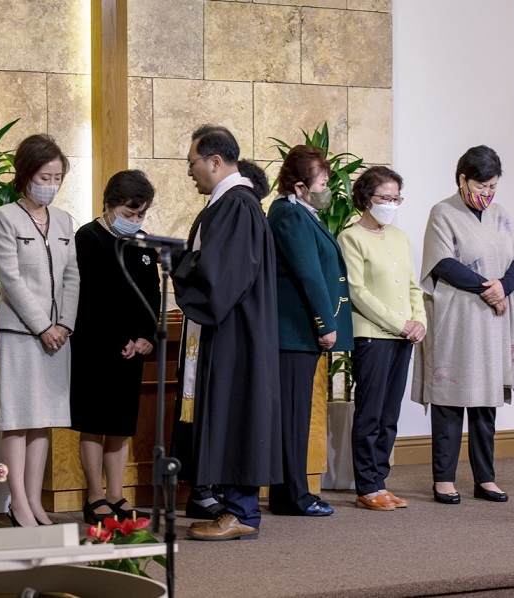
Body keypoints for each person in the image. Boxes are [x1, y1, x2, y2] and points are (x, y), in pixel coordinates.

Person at [173, 125, 282, 541]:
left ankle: (241, 512)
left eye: (192, 163)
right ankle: (232, 507)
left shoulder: (236, 205)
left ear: (215, 161)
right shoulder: (231, 203)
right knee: (231, 412)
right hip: (233, 328)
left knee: (238, 412)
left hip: (237, 334)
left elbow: (221, 276)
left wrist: (177, 263)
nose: (190, 171)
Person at [412, 145, 514, 504]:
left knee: (485, 401)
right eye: (481, 185)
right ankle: (444, 480)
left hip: (492, 321)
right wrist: (489, 290)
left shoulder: (501, 215)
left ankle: (485, 478)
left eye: (493, 186)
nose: (487, 193)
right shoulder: (443, 212)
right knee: (450, 398)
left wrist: (503, 287)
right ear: (462, 179)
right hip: (456, 317)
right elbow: (443, 263)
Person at [0, 134, 79, 527]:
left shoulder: (64, 221)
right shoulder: (4, 217)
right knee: (18, 418)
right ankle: (18, 503)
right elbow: (10, 279)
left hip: (58, 336)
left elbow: (73, 276)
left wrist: (64, 324)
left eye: (57, 177)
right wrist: (42, 325)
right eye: (45, 177)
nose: (51, 185)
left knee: (43, 418)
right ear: (25, 175)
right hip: (20, 333)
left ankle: (34, 500)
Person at [70, 170, 161, 524]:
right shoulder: (88, 237)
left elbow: (151, 292)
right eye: (128, 213)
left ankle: (116, 495)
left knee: (121, 426)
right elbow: (89, 297)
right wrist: (118, 338)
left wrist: (146, 335)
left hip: (134, 348)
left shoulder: (141, 241)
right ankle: (95, 496)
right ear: (109, 205)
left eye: (141, 214)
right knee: (95, 423)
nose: (135, 221)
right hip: (96, 345)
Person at [266, 145, 353, 517]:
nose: (326, 190)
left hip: (299, 334)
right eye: (321, 183)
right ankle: (292, 496)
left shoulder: (300, 212)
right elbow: (308, 275)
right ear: (300, 186)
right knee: (292, 416)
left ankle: (293, 492)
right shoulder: (289, 214)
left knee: (296, 414)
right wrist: (326, 323)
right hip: (294, 333)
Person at [337, 166, 425, 511]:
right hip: (373, 336)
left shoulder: (399, 237)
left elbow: (413, 286)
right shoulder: (351, 237)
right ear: (365, 198)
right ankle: (367, 485)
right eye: (384, 198)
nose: (391, 204)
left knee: (390, 414)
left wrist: (419, 322)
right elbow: (357, 292)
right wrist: (400, 324)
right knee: (370, 413)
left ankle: (381, 481)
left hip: (403, 337)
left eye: (396, 198)